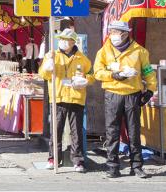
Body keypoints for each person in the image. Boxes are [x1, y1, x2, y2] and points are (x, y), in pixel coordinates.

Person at [94, 20, 157, 179]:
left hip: (132, 95)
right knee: (112, 131)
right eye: (112, 31)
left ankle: (136, 166)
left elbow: (148, 71)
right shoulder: (104, 51)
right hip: (112, 93)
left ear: (125, 33)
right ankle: (112, 167)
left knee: (134, 132)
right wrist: (113, 75)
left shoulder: (140, 51)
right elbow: (97, 72)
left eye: (117, 32)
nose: (113, 35)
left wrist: (150, 90)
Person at [39, 29, 94, 173]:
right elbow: (43, 74)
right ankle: (53, 159)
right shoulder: (52, 55)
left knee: (77, 132)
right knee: (56, 131)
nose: (62, 41)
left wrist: (86, 81)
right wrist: (47, 67)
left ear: (73, 42)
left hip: (76, 97)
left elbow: (92, 75)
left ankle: (78, 161)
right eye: (61, 38)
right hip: (58, 96)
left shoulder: (83, 58)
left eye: (66, 39)